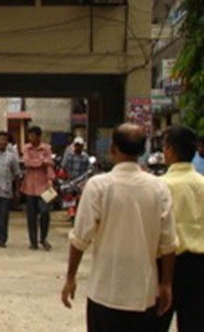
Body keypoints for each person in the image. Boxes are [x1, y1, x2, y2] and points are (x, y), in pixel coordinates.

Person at [61, 123, 177, 332]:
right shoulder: (159, 188)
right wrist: (166, 283)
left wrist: (71, 277)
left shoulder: (98, 186)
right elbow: (168, 243)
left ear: (112, 148)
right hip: (144, 293)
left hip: (105, 291)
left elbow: (79, 239)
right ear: (143, 150)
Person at [155, 126, 204, 332]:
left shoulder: (160, 186)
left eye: (165, 146)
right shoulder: (202, 183)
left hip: (166, 265)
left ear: (171, 150)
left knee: (157, 323)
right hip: (200, 265)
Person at [21, 125, 55, 251]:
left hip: (44, 186)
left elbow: (50, 164)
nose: (30, 138)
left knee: (45, 212)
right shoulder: (26, 148)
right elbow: (27, 163)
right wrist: (42, 162)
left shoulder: (46, 148)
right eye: (29, 136)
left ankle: (43, 238)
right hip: (29, 186)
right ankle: (33, 240)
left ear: (38, 136)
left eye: (32, 135)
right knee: (31, 215)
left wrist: (50, 179)